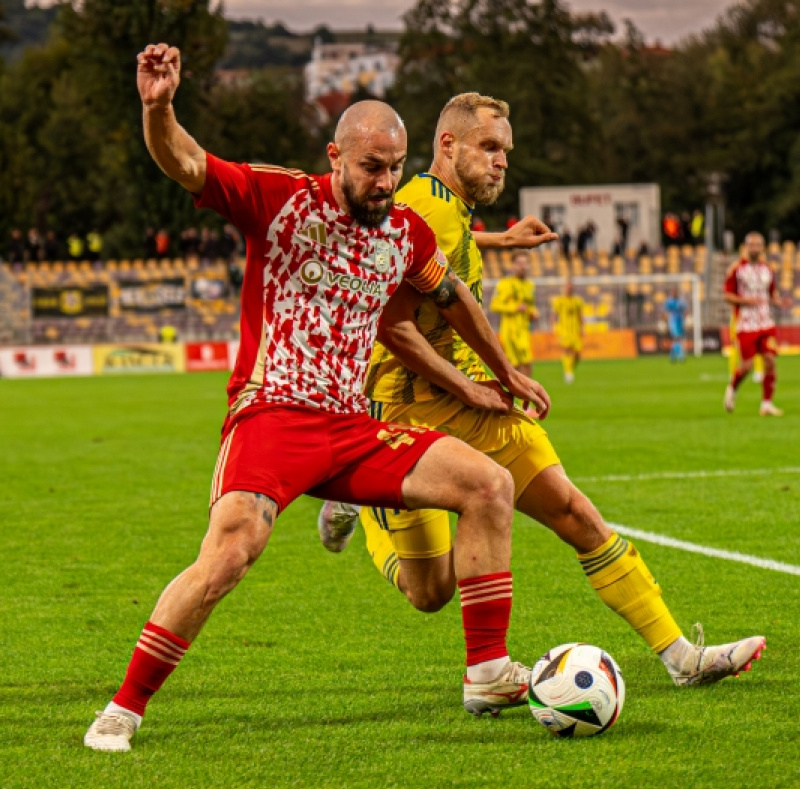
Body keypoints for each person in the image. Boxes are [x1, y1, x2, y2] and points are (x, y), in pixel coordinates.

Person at [84, 43, 552, 753]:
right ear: (336, 157)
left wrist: (505, 372)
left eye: (395, 168)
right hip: (273, 413)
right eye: (370, 167)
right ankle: (123, 707)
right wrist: (159, 108)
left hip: (352, 426)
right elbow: (187, 162)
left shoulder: (404, 232)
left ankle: (486, 670)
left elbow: (451, 297)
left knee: (488, 485)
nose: (384, 182)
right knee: (235, 546)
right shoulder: (277, 201)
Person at [318, 92, 765, 703]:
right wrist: (478, 383)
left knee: (574, 513)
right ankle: (357, 506)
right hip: (401, 409)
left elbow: (448, 246)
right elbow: (392, 330)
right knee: (429, 592)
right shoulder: (423, 206)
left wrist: (500, 241)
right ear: (446, 146)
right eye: (489, 148)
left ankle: (680, 656)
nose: (502, 161)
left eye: (506, 151)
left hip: (465, 401)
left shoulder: (443, 209)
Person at [723, 232, 789, 416]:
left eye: (758, 245)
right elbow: (727, 295)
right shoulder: (736, 269)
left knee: (770, 361)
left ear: (763, 247)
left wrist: (778, 301)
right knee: (747, 366)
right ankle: (732, 389)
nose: (755, 248)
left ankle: (766, 404)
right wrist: (746, 301)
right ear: (745, 247)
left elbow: (771, 294)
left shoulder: (768, 270)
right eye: (751, 245)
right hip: (746, 323)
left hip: (765, 322)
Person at [490, 249, 538, 379]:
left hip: (524, 331)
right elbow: (494, 305)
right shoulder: (505, 284)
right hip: (510, 331)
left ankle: (517, 397)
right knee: (515, 368)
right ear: (513, 265)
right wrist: (514, 307)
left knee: (525, 366)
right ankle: (501, 394)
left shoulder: (530, 286)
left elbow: (530, 305)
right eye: (519, 263)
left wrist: (533, 312)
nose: (523, 266)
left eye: (525, 263)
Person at [552, 279, 584, 383]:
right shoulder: (559, 301)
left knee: (578, 355)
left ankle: (569, 370)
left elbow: (580, 315)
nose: (569, 288)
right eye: (567, 287)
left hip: (575, 330)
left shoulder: (577, 301)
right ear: (564, 288)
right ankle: (568, 372)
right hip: (564, 330)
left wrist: (582, 327)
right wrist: (555, 327)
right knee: (567, 350)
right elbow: (554, 315)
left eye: (571, 287)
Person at [663, 288, 687, 363]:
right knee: (677, 338)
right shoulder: (669, 301)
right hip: (672, 321)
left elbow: (685, 311)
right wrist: (665, 322)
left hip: (680, 321)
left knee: (678, 339)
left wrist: (685, 319)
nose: (674, 294)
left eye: (675, 292)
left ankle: (672, 355)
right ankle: (680, 355)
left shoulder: (681, 301)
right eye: (673, 292)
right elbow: (664, 312)